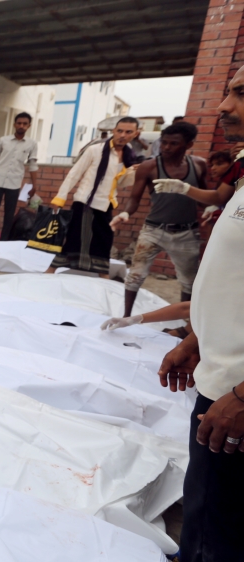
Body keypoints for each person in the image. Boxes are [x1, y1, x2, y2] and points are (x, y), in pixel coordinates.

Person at [156, 65, 244, 562]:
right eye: (227, 91)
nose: (224, 106)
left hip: (237, 400)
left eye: (241, 94)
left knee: (225, 531)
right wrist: (196, 340)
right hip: (221, 385)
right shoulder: (243, 177)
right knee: (206, 510)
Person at [113, 121, 207, 317]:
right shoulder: (149, 166)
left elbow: (205, 195)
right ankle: (125, 317)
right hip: (153, 229)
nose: (166, 147)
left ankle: (185, 323)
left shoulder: (198, 165)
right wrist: (125, 214)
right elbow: (134, 198)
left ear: (188, 145)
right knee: (135, 275)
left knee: (189, 281)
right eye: (164, 142)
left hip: (186, 232)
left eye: (173, 143)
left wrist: (213, 208)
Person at [46, 117, 139, 276]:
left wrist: (133, 172)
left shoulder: (129, 155)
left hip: (106, 203)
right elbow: (74, 174)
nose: (123, 135)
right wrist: (60, 197)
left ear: (136, 134)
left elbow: (120, 183)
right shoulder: (95, 150)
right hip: (85, 201)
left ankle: (103, 273)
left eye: (128, 132)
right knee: (74, 237)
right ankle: (51, 269)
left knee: (104, 239)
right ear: (113, 131)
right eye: (119, 131)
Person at [0, 112, 38, 242]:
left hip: (14, 183)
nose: (21, 126)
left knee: (9, 216)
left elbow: (33, 164)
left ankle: (3, 244)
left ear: (29, 126)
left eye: (24, 124)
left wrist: (34, 185)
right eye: (19, 123)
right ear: (14, 124)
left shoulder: (31, 144)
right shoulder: (3, 140)